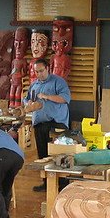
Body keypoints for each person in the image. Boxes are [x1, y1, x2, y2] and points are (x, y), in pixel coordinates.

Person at [23, 58, 71, 192]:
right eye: (36, 72)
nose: (39, 74)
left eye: (41, 71)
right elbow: (27, 99)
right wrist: (27, 104)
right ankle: (46, 183)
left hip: (57, 123)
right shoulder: (34, 84)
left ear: (48, 68)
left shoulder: (58, 81)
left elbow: (65, 99)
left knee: (58, 154)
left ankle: (63, 184)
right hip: (40, 123)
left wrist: (47, 97)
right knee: (43, 155)